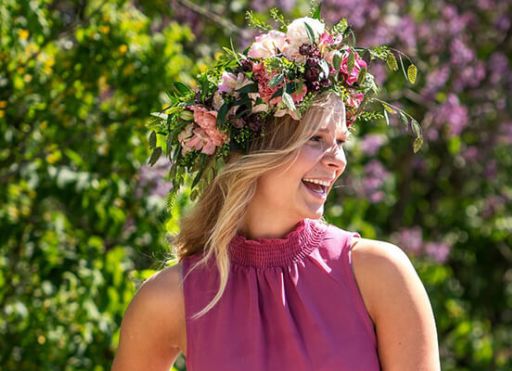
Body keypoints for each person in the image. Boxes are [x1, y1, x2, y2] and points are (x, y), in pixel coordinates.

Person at [112, 15, 440, 371]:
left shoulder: (380, 273)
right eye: (316, 139)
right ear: (260, 149)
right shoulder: (171, 297)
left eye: (340, 141)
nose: (338, 161)